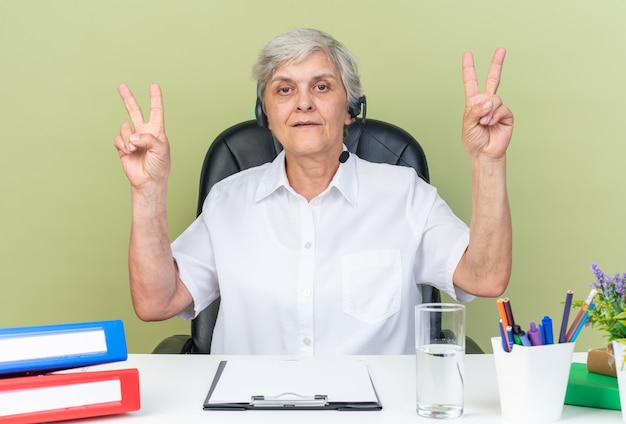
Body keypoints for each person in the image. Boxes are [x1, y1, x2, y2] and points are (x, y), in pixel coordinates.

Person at [114, 28, 513, 355]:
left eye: (321, 87)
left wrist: (488, 162)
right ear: (265, 114)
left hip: (377, 413)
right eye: (284, 90)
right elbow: (156, 303)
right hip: (249, 410)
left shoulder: (404, 193)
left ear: (350, 108)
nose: (303, 103)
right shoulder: (228, 200)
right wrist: (148, 191)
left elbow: (486, 278)